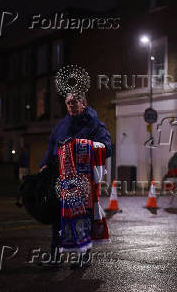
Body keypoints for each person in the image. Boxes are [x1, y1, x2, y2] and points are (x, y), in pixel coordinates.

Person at [39, 92, 112, 269]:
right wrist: (44, 165)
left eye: (75, 102)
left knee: (82, 218)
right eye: (68, 102)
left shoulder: (95, 125)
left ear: (84, 103)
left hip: (84, 179)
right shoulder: (61, 126)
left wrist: (83, 147)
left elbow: (107, 148)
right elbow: (51, 148)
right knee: (58, 217)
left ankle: (83, 256)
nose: (71, 105)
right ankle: (55, 257)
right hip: (60, 179)